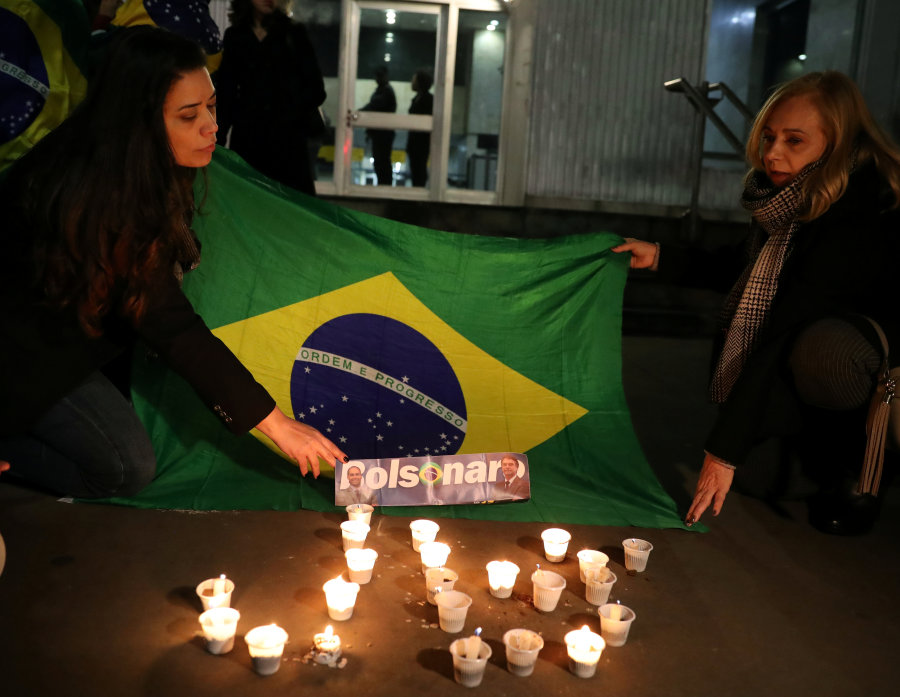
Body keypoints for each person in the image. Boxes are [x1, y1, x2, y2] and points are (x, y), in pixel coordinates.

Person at [0, 26, 347, 499]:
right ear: (138, 122)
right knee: (126, 467)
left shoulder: (136, 160)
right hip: (19, 354)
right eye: (188, 116)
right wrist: (277, 424)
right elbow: (170, 323)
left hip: (67, 338)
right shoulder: (98, 191)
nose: (210, 126)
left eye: (212, 105)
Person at [613, 71, 900, 535]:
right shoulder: (792, 198)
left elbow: (786, 322)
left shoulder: (863, 208)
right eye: (768, 137)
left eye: (794, 140)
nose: (772, 153)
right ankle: (808, 451)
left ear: (837, 144)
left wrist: (723, 451)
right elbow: (745, 269)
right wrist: (662, 255)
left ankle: (864, 465)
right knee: (761, 481)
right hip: (806, 346)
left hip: (878, 360)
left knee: (825, 352)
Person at [214, 0, 326, 195]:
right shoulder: (236, 35)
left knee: (292, 207)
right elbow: (226, 94)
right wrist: (217, 142)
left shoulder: (293, 33)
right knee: (249, 201)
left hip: (287, 141)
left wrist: (287, 110)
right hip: (248, 140)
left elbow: (316, 89)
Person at [360, 65, 397, 186]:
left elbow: (373, 106)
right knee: (380, 162)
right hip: (379, 134)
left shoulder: (386, 91)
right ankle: (384, 186)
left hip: (383, 134)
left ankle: (385, 187)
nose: (377, 79)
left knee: (382, 163)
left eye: (379, 76)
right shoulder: (382, 90)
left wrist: (359, 113)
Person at [406, 69, 433, 187]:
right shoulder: (417, 98)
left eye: (414, 80)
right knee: (416, 171)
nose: (411, 82)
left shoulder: (428, 99)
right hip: (415, 143)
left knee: (419, 171)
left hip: (421, 144)